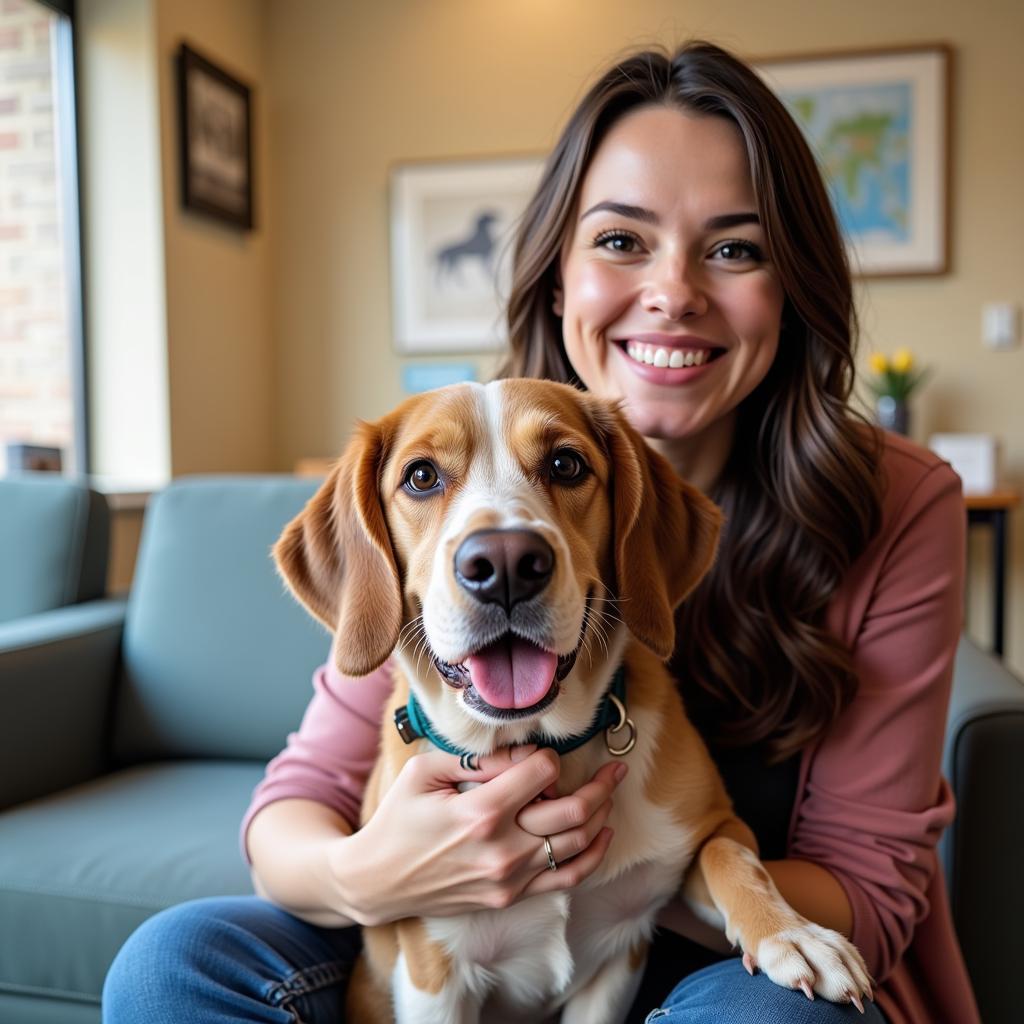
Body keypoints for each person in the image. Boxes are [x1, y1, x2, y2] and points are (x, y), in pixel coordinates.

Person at [102, 41, 979, 1024]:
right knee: (169, 966)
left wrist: (623, 881)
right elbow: (296, 807)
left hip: (703, 956)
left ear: (792, 285)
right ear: (558, 277)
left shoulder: (895, 499)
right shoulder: (452, 460)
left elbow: (873, 888)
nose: (673, 291)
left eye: (734, 248)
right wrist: (376, 872)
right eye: (619, 240)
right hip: (447, 931)